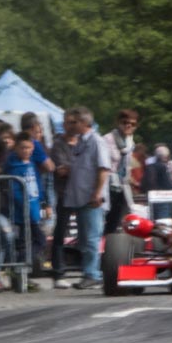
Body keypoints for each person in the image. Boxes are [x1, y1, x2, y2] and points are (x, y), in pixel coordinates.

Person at [61, 106, 110, 290]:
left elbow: (103, 169)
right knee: (84, 238)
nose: (71, 126)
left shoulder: (96, 141)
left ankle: (93, 275)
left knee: (91, 238)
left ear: (84, 122)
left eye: (74, 122)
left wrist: (97, 193)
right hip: (80, 197)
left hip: (92, 199)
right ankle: (89, 273)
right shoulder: (81, 141)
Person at [5, 132, 49, 273]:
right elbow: (14, 190)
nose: (26, 151)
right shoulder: (13, 167)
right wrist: (25, 208)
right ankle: (19, 264)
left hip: (34, 209)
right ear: (16, 148)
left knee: (33, 242)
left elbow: (38, 185)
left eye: (29, 147)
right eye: (23, 148)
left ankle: (21, 269)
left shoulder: (32, 164)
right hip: (22, 213)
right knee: (38, 241)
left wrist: (43, 202)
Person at [49, 110, 81, 283]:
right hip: (65, 193)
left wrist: (74, 168)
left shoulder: (84, 142)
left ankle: (86, 268)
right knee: (61, 231)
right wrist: (82, 168)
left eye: (75, 122)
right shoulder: (58, 145)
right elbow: (61, 170)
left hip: (83, 193)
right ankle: (58, 271)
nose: (72, 126)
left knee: (87, 231)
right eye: (69, 122)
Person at [103, 109, 139, 234]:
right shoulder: (107, 140)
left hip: (122, 184)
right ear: (118, 122)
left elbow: (128, 165)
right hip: (107, 184)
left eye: (133, 124)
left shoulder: (130, 142)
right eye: (125, 122)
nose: (128, 126)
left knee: (117, 218)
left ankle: (110, 241)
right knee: (105, 217)